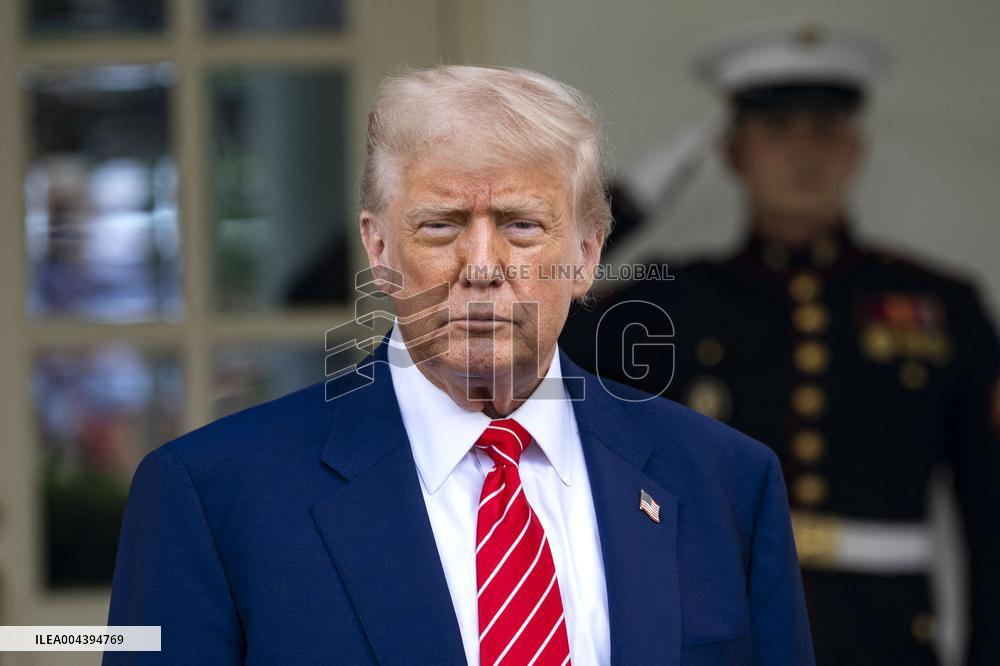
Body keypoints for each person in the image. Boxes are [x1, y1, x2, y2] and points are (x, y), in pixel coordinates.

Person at [104, 65, 814, 665]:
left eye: (522, 226)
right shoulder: (212, 495)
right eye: (440, 225)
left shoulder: (725, 483)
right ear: (379, 250)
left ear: (590, 254)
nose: (482, 267)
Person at [561, 21, 1000, 666]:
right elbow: (536, 320)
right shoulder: (674, 303)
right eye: (774, 131)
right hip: (717, 629)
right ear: (732, 153)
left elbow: (990, 511)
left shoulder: (942, 305)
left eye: (824, 131)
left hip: (886, 637)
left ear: (856, 150)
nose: (803, 154)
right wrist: (635, 198)